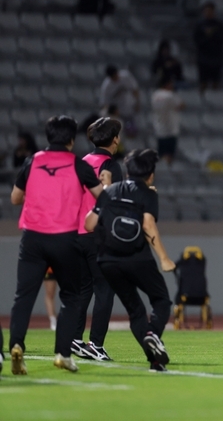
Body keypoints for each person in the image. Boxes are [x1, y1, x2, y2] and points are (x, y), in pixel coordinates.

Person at [9, 116, 103, 375]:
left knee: (23, 296)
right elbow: (103, 197)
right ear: (72, 139)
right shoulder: (78, 164)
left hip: (32, 238)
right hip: (65, 239)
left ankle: (16, 345)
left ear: (48, 136)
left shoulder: (32, 161)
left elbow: (15, 198)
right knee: (71, 296)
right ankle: (62, 353)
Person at [84, 149, 176, 372]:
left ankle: (155, 360)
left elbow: (89, 224)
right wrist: (164, 258)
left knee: (135, 310)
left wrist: (106, 193)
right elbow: (148, 225)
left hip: (108, 261)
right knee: (161, 300)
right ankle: (153, 334)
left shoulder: (109, 191)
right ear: (151, 175)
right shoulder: (148, 194)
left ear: (126, 171)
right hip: (137, 258)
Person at [72, 117, 123, 361]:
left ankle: (75, 339)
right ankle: (96, 344)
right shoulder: (111, 166)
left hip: (77, 234)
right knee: (105, 289)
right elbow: (116, 202)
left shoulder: (81, 163)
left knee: (83, 289)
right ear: (115, 139)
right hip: (100, 235)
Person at [151, 75, 185, 167]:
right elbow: (181, 105)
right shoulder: (170, 95)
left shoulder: (155, 94)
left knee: (161, 154)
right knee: (169, 155)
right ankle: (168, 168)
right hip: (170, 128)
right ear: (167, 84)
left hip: (159, 128)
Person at [194, 2, 223, 93]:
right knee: (203, 82)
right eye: (206, 11)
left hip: (216, 58)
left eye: (210, 11)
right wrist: (207, 36)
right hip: (203, 58)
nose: (208, 13)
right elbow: (197, 40)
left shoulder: (219, 24)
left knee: (216, 83)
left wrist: (213, 34)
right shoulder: (200, 25)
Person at [99, 65, 140, 135]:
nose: (116, 77)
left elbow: (135, 89)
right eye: (113, 77)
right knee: (121, 132)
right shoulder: (106, 86)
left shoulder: (126, 76)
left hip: (130, 108)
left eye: (116, 75)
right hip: (118, 113)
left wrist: (137, 103)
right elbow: (105, 104)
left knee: (133, 131)